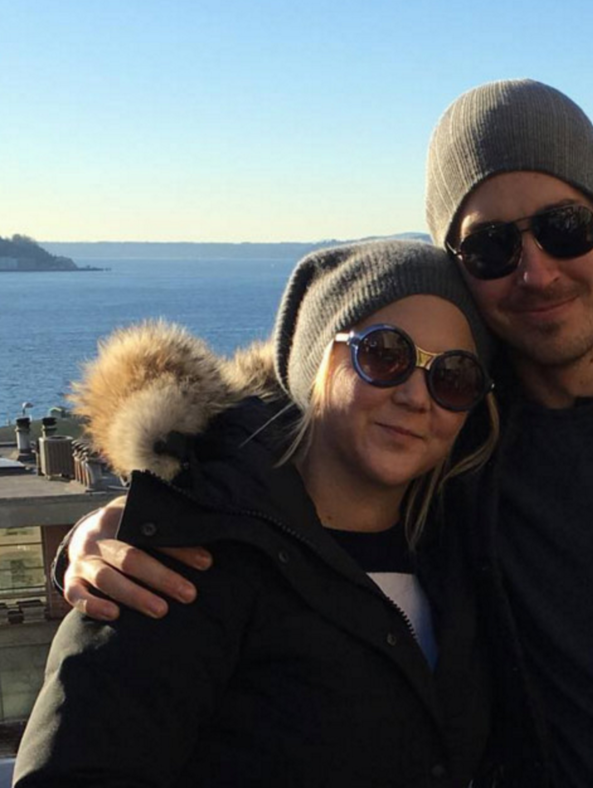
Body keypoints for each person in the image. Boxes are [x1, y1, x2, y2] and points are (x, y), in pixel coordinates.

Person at [56, 80, 593, 788]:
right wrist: (125, 520)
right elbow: (296, 454)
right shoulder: (460, 425)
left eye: (564, 228)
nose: (536, 271)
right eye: (489, 249)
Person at [14, 240, 498, 787]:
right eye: (385, 355)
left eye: (453, 376)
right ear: (317, 360)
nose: (416, 396)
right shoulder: (184, 557)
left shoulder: (463, 553)